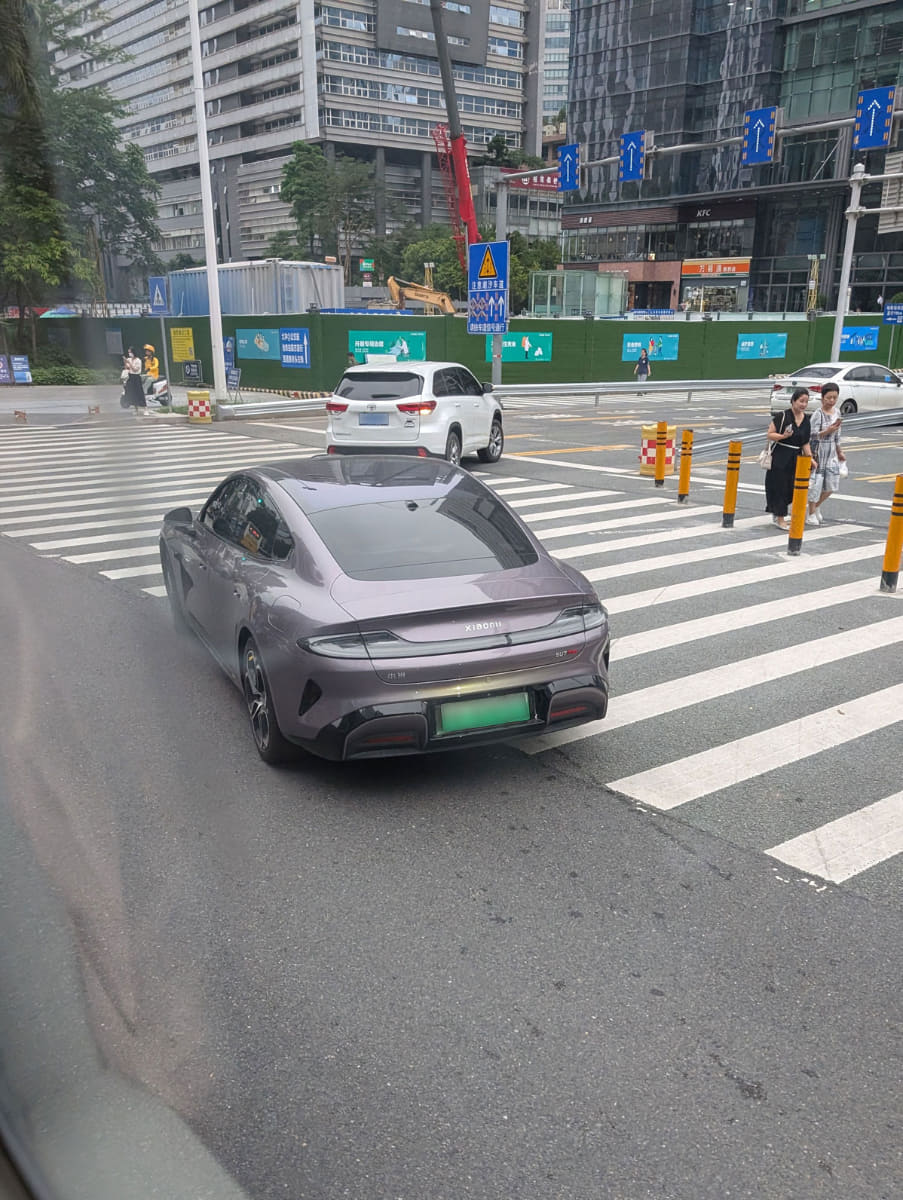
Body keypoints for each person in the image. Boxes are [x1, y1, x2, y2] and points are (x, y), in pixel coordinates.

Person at [764, 386, 813, 529]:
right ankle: (780, 518)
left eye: (806, 402)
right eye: (800, 401)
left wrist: (810, 458)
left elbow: (805, 442)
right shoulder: (783, 416)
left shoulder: (806, 420)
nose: (803, 404)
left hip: (796, 457)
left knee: (792, 488)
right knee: (780, 487)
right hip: (781, 456)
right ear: (793, 401)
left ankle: (777, 511)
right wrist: (783, 436)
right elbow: (770, 434)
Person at [807, 381, 846, 525]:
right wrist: (827, 431)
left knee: (831, 485)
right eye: (829, 397)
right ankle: (811, 513)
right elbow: (812, 435)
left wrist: (839, 451)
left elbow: (838, 435)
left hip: (831, 453)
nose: (831, 401)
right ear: (822, 397)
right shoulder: (818, 414)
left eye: (834, 397)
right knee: (816, 485)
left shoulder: (837, 412)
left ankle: (816, 506)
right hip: (818, 452)